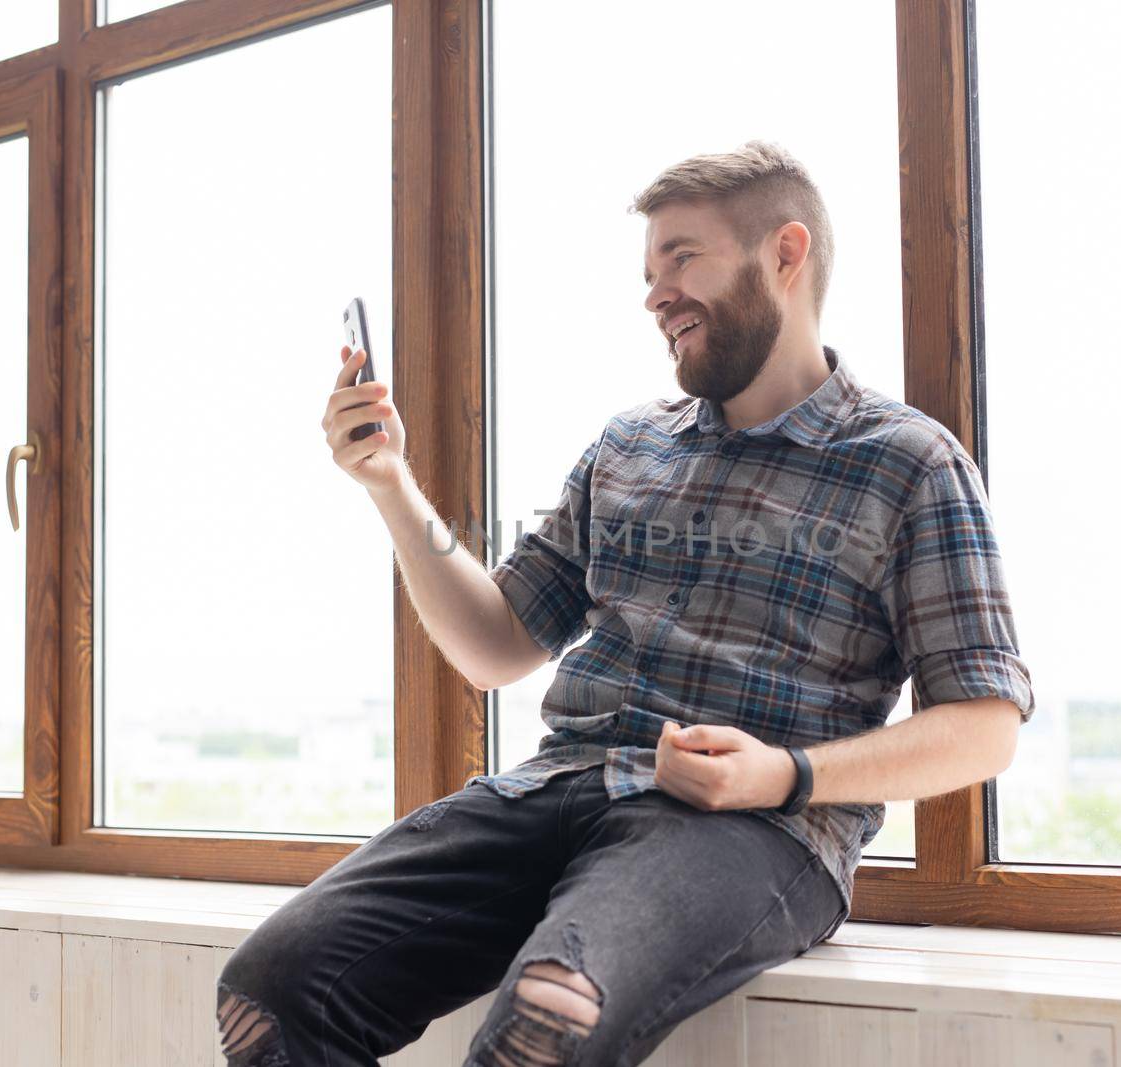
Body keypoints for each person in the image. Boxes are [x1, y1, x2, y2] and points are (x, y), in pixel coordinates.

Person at [215, 140, 1036, 1067]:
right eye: (649, 272)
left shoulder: (910, 463)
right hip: (558, 788)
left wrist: (783, 773)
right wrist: (390, 483)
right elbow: (496, 644)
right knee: (272, 993)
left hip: (753, 831)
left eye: (682, 258)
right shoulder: (629, 444)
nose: (655, 294)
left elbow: (985, 726)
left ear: (785, 254)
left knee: (545, 1019)